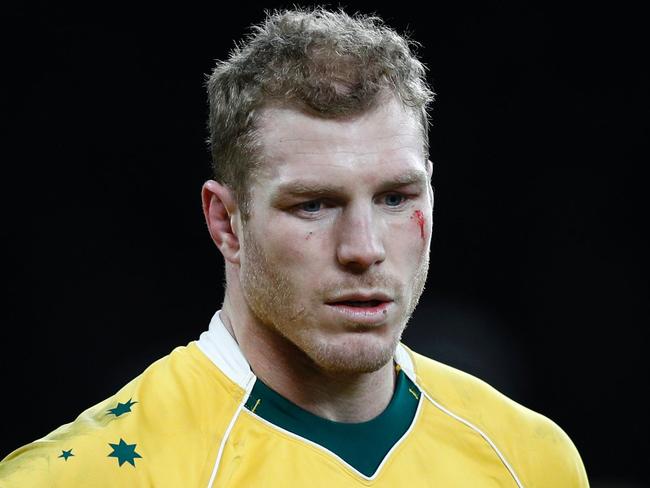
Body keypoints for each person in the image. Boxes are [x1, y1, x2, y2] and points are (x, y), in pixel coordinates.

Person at [0, 7, 588, 487]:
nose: (363, 249)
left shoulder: (531, 460)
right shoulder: (86, 475)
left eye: (394, 197)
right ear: (226, 222)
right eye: (313, 204)